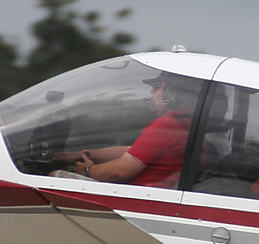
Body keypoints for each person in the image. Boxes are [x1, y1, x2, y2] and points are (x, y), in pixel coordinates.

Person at [52, 74, 200, 186]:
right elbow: (133, 151)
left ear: (173, 94)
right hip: (153, 198)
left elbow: (120, 172)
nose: (151, 93)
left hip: (140, 200)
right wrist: (83, 155)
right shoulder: (187, 125)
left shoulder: (167, 126)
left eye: (156, 88)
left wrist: (87, 171)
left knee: (55, 177)